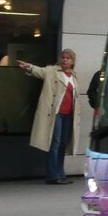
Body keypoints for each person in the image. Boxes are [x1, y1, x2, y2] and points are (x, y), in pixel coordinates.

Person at [18, 49, 81, 184]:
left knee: (63, 144)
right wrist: (29, 66)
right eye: (63, 57)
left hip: (69, 115)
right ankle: (53, 175)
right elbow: (39, 71)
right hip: (56, 114)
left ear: (73, 61)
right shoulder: (52, 71)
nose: (65, 60)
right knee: (55, 144)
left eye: (68, 58)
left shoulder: (74, 76)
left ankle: (60, 173)